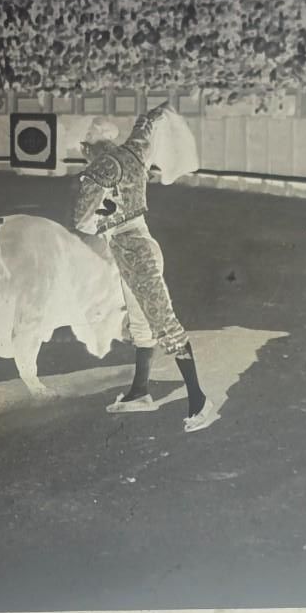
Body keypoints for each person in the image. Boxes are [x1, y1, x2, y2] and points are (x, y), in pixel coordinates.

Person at [71, 104, 217, 433]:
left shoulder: (97, 170)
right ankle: (140, 391)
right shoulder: (134, 150)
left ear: (90, 143)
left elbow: (81, 220)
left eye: (83, 145)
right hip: (141, 243)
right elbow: (147, 123)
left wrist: (102, 214)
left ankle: (199, 399)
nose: (82, 151)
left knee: (164, 324)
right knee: (142, 325)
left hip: (131, 251)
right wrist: (163, 109)